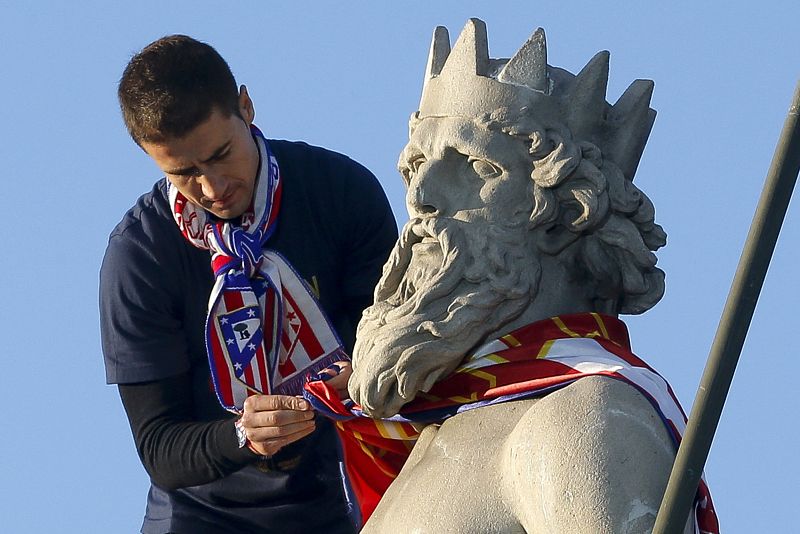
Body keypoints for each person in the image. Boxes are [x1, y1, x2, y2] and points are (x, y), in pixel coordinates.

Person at [99, 35, 397, 534]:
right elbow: (160, 447)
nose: (213, 188)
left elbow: (393, 333)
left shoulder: (341, 191)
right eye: (184, 173)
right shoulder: (139, 256)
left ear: (246, 106)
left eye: (221, 155)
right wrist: (243, 434)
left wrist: (365, 368)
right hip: (199, 516)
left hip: (339, 493)